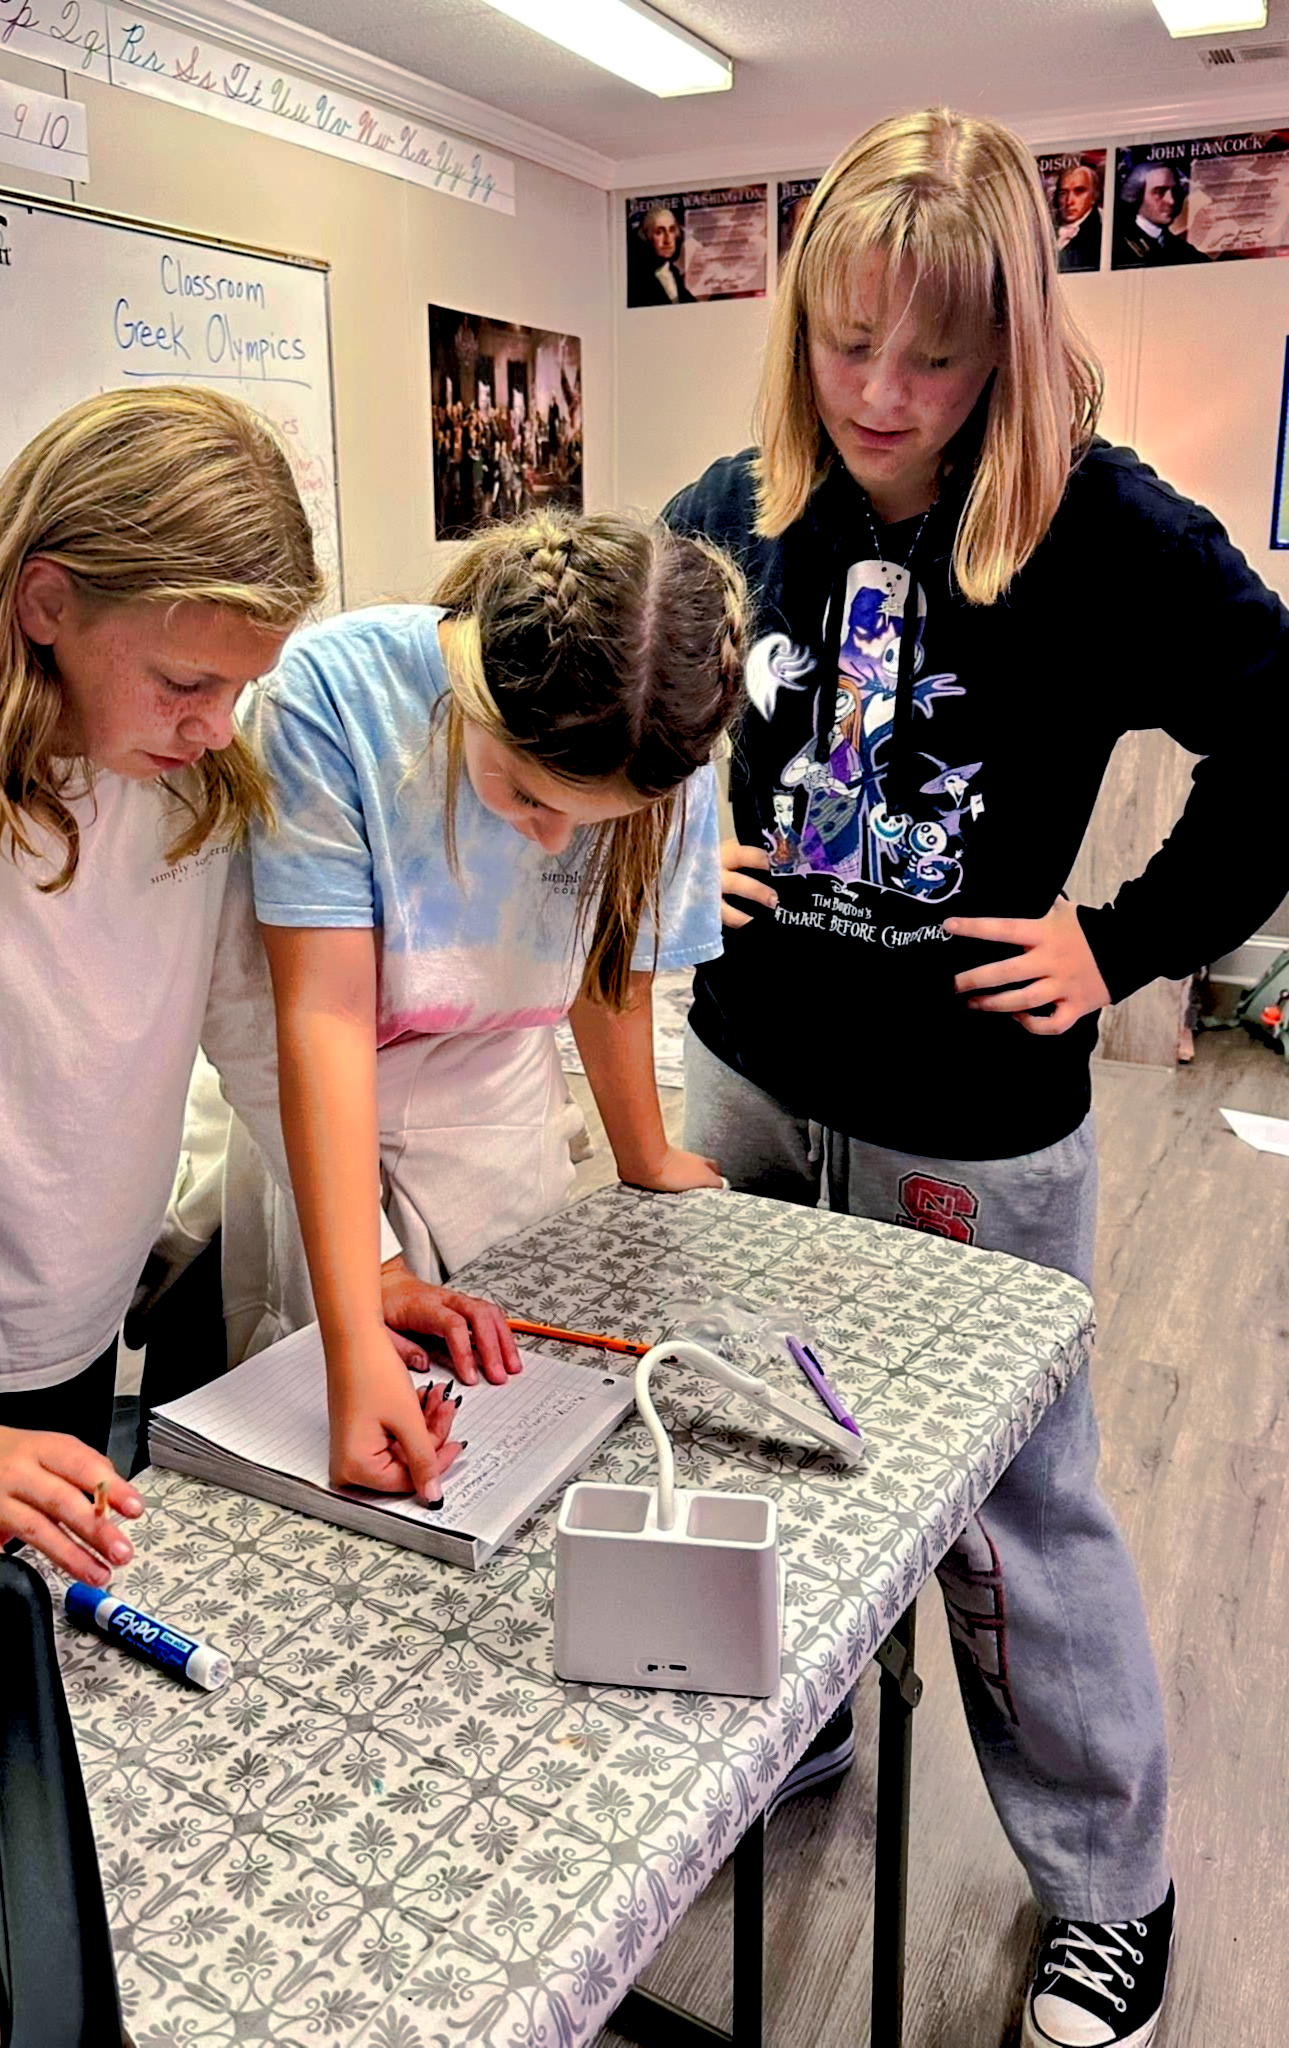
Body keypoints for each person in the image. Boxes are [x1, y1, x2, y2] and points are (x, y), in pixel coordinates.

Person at [664, 106, 1289, 2048]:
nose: (883, 391)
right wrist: (693, 840)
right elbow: (628, 705)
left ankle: (1111, 1884)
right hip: (754, 1076)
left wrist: (1123, 940)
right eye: (849, 342)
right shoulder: (731, 503)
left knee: (1018, 1523)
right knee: (762, 1450)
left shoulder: (1114, 539)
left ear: (1009, 342)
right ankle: (796, 1736)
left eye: (935, 355)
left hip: (974, 1126)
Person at [0, 386, 492, 1590]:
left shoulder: (180, 781)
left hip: (70, 1338)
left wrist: (372, 1264)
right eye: (184, 681)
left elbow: (260, 1045)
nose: (214, 727)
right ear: (48, 603)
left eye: (236, 690)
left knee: (44, 1700)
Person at [224, 510, 746, 1506]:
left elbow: (613, 966)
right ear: (470, 693)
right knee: (371, 1461)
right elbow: (322, 1022)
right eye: (523, 796)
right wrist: (355, 1311)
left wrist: (644, 1157)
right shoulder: (332, 698)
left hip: (505, 1103)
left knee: (523, 1415)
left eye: (591, 821)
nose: (554, 845)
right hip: (333, 1108)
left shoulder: (669, 731)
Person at [1114, 160, 1204, 267]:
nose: (1171, 201)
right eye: (1159, 192)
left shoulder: (1188, 253)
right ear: (1137, 194)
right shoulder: (1116, 246)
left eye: (1175, 191)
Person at [628, 204, 697, 305]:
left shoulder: (673, 272)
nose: (668, 240)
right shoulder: (637, 281)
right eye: (659, 232)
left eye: (672, 230)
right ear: (646, 237)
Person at [1052, 161, 1103, 272]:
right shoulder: (1044, 231)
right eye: (1063, 193)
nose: (1069, 201)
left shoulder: (1100, 238)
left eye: (1079, 191)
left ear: (1095, 196)